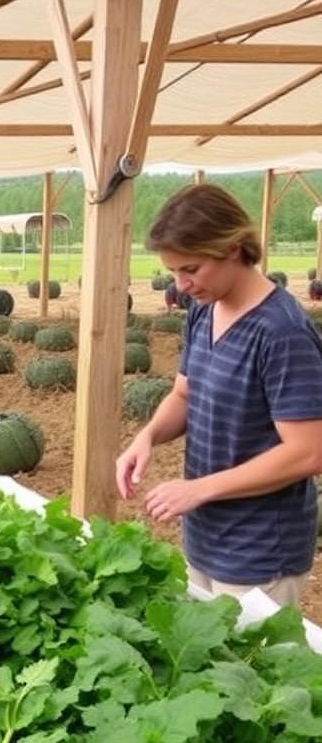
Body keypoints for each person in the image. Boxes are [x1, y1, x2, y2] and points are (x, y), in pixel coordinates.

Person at [116, 183, 322, 607]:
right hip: (206, 534)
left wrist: (198, 489)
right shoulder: (203, 310)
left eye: (190, 268)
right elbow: (184, 394)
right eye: (174, 271)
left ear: (231, 248)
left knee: (252, 652)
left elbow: (308, 453)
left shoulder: (281, 332)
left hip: (260, 550)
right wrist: (147, 437)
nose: (181, 284)